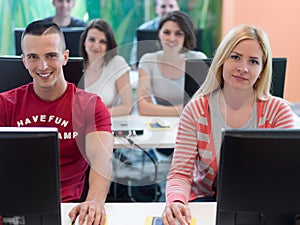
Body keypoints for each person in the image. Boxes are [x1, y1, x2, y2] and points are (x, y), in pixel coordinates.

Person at [161, 24, 295, 225]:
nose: (243, 68)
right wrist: (177, 201)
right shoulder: (196, 110)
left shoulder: (278, 111)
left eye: (253, 61)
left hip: (263, 209)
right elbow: (180, 173)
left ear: (262, 69)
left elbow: (287, 177)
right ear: (222, 60)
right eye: (235, 57)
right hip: (207, 205)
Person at [0, 20, 113, 225]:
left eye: (51, 55)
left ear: (65, 57)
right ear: (24, 60)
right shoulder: (5, 104)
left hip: (67, 211)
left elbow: (102, 161)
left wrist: (95, 201)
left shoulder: (90, 106)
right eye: (33, 57)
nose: (43, 66)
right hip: (11, 209)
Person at [137, 11, 207, 117]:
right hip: (160, 125)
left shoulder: (198, 59)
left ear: (186, 37)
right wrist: (186, 109)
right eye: (166, 32)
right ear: (159, 33)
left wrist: (155, 109)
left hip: (192, 125)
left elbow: (202, 106)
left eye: (178, 33)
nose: (171, 38)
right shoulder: (147, 60)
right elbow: (142, 108)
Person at [80, 19, 133, 116]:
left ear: (108, 45)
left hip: (106, 123)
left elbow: (127, 107)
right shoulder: (75, 66)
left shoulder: (117, 63)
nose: (96, 45)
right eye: (92, 39)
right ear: (84, 42)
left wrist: (94, 115)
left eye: (102, 42)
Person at [130, 0, 180, 69]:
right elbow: (134, 63)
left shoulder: (186, 29)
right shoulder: (144, 29)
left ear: (178, 8)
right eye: (163, 6)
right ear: (156, 9)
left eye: (171, 6)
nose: (167, 10)